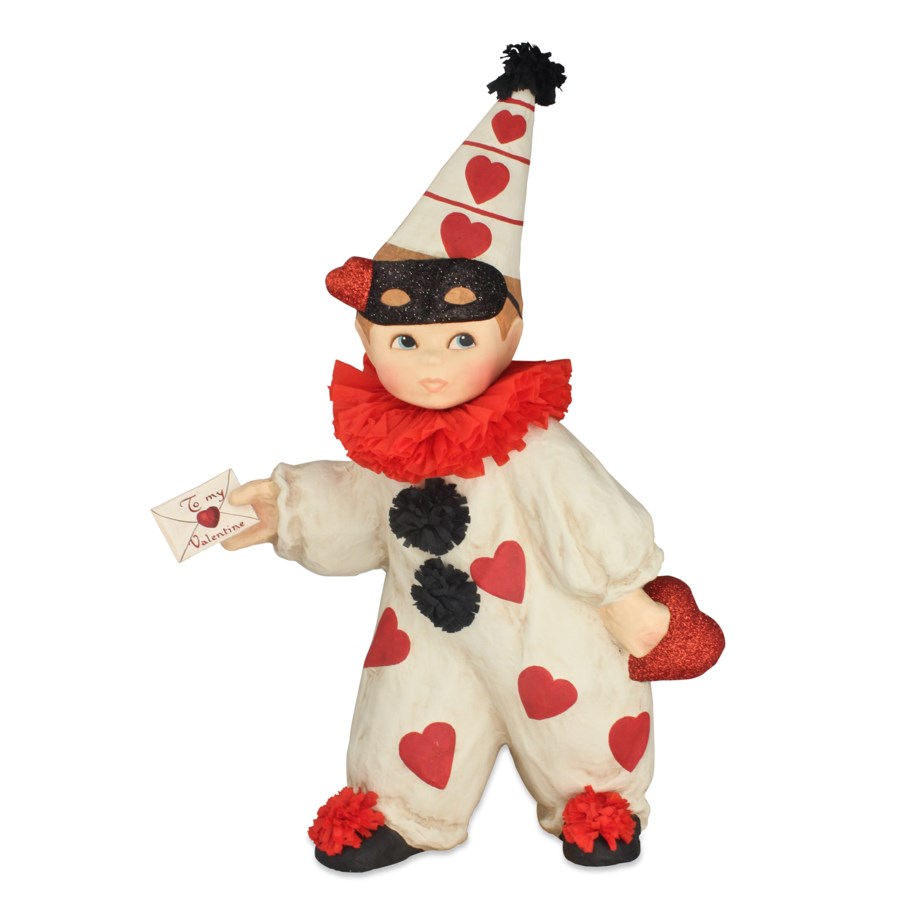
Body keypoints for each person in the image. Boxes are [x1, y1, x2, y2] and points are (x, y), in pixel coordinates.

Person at [223, 44, 723, 871]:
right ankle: (398, 807)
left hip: (546, 618)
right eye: (405, 341)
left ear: (509, 334)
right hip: (425, 621)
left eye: (460, 338)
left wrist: (625, 597)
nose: (431, 363)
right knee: (410, 703)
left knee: (574, 704)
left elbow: (584, 515)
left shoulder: (531, 439)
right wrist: (286, 510)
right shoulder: (387, 441)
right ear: (367, 338)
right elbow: (360, 505)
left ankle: (595, 797)